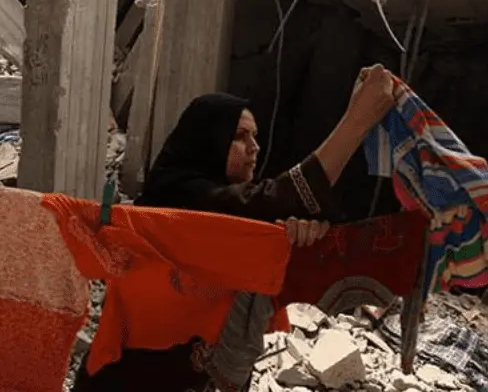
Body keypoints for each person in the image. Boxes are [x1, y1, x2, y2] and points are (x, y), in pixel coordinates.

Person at [72, 64, 396, 392]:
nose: (255, 147)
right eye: (240, 137)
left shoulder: (232, 222)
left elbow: (262, 218)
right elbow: (275, 200)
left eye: (255, 136)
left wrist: (289, 235)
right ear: (207, 140)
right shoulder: (177, 197)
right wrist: (357, 120)